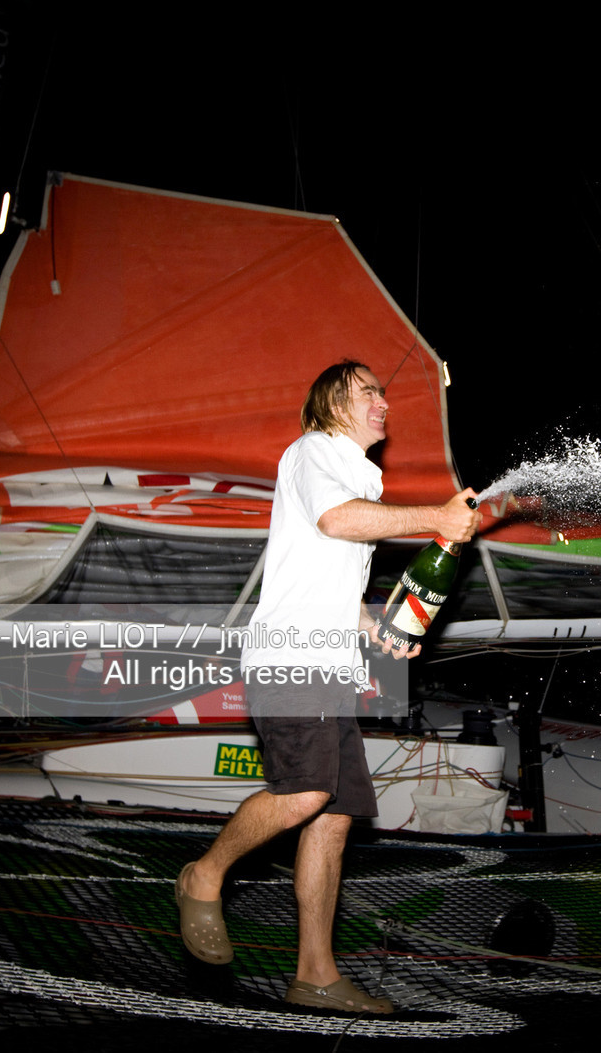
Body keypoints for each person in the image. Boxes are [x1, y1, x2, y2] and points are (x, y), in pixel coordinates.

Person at [174, 360, 478, 1014]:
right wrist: (437, 519)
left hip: (329, 664)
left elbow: (328, 564)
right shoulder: (317, 450)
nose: (384, 401)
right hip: (290, 657)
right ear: (334, 404)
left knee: (334, 815)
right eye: (369, 390)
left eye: (383, 391)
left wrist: (381, 627)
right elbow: (337, 523)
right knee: (306, 791)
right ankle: (204, 874)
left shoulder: (357, 471)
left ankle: (314, 974)